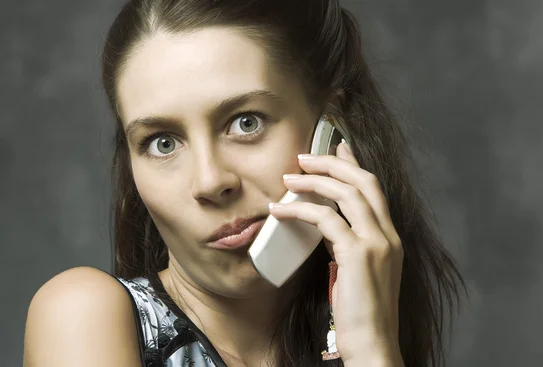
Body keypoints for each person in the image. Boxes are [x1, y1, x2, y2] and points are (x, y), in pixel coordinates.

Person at [23, 1, 466, 366]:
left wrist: (372, 349)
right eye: (162, 143)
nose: (211, 181)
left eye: (245, 122)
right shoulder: (81, 314)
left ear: (332, 132)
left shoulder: (369, 337)